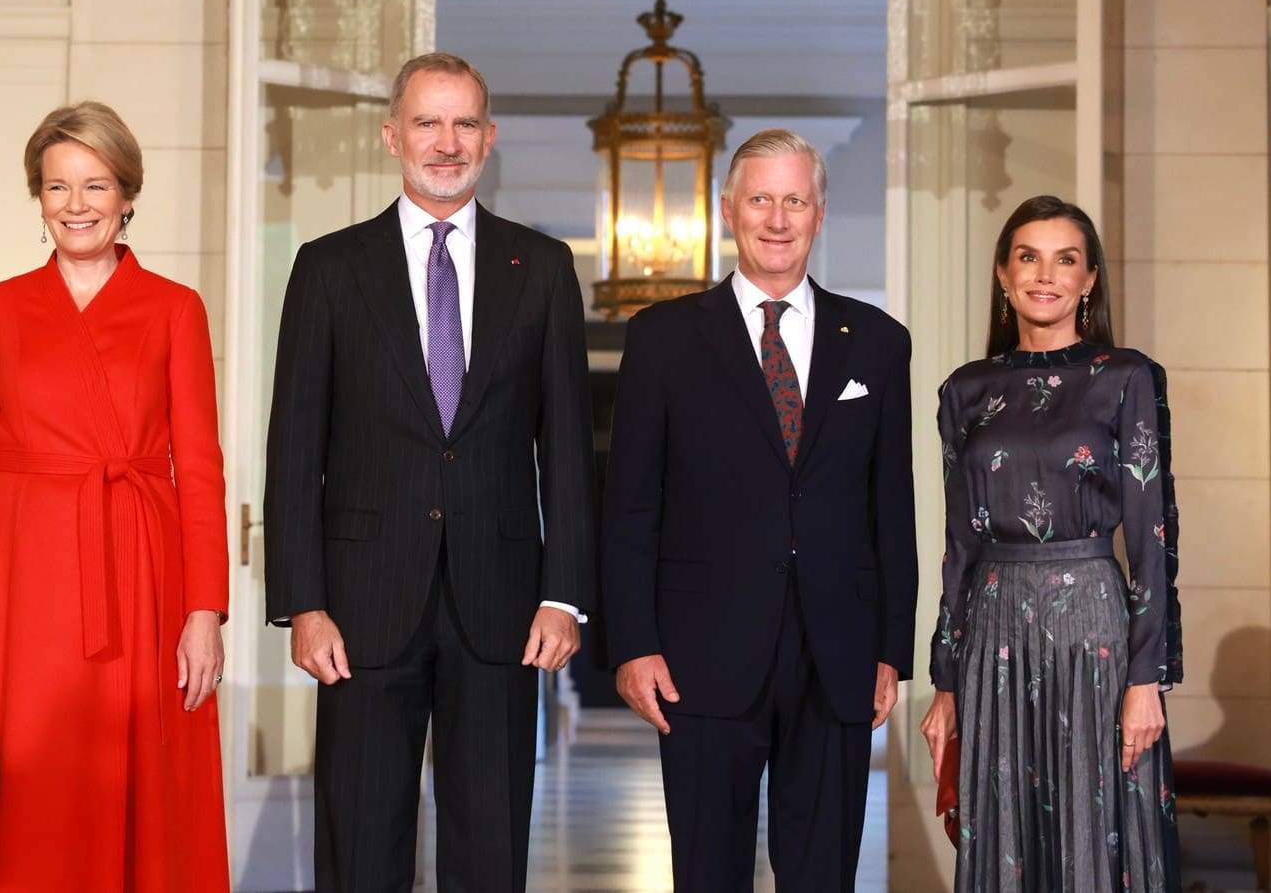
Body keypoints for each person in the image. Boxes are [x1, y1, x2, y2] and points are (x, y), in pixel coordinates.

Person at [263, 52, 596, 893]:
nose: (446, 142)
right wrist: (302, 600)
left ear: (488, 138)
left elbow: (566, 445)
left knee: (489, 848)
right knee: (362, 842)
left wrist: (564, 593)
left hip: (504, 603)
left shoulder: (544, 267)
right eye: (426, 122)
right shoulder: (329, 268)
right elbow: (295, 448)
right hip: (359, 606)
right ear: (391, 136)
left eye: (464, 123)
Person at [0, 101, 230, 890]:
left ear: (128, 195)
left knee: (126, 778)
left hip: (137, 579)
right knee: (22, 774)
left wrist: (204, 611)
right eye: (57, 187)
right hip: (14, 580)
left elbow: (201, 469)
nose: (76, 205)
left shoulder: (175, 308)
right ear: (38, 197)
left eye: (96, 184)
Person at [602, 128, 919, 891]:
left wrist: (891, 648)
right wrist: (632, 643)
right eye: (761, 199)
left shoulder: (877, 342)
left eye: (796, 200)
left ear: (818, 212)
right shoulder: (661, 339)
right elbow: (631, 506)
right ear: (726, 210)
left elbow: (893, 506)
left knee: (822, 876)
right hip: (699, 655)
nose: (778, 219)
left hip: (837, 655)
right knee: (708, 872)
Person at [919, 195, 1183, 891]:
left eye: (1065, 259)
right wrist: (944, 677)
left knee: (1094, 836)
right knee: (1003, 834)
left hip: (1094, 632)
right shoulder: (966, 389)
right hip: (992, 634)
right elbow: (958, 544)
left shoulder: (1127, 377)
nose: (1046, 275)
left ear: (1090, 277)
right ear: (1004, 277)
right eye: (1028, 257)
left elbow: (1153, 538)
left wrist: (1145, 677)